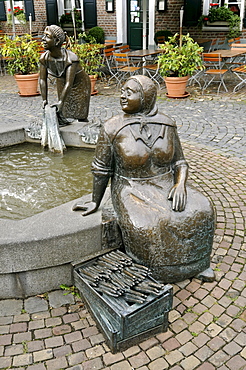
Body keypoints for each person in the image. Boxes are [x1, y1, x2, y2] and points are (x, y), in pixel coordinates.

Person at [73, 75, 215, 283]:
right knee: (147, 225)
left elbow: (180, 163)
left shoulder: (167, 124)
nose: (122, 96)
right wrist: (96, 201)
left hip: (166, 183)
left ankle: (198, 264)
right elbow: (102, 170)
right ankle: (156, 272)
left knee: (203, 208)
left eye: (129, 92)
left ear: (146, 97)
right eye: (122, 91)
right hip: (130, 187)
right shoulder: (112, 127)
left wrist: (180, 184)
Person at [39, 25, 91, 123]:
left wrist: (61, 101)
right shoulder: (44, 58)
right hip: (62, 82)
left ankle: (84, 131)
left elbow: (69, 83)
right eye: (43, 36)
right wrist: (44, 100)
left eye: (47, 36)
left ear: (57, 41)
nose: (43, 39)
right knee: (62, 112)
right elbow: (42, 80)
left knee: (80, 114)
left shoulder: (71, 58)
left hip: (80, 85)